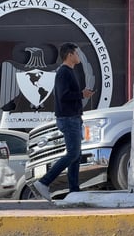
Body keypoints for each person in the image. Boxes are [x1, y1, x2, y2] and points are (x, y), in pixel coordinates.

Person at [33, 42, 94, 201]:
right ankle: (44, 182)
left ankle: (74, 191)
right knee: (73, 153)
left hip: (74, 118)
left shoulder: (69, 72)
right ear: (70, 55)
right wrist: (81, 94)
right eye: (77, 53)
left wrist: (81, 95)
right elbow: (63, 95)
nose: (79, 56)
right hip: (68, 119)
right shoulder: (63, 73)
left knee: (76, 155)